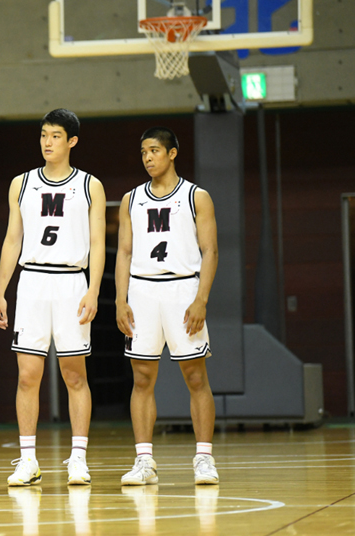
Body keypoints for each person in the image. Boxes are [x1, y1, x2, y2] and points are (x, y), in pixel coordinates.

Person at [0, 109, 106, 486]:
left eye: (55, 135)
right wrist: (0, 292)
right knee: (27, 375)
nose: (47, 142)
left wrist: (93, 289)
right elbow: (12, 240)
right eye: (43, 135)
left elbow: (98, 243)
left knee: (74, 374)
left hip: (72, 282)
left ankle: (78, 459)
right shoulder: (21, 183)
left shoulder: (89, 185)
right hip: (32, 283)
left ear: (72, 141)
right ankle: (28, 460)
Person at [115, 127, 219, 486]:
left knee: (195, 376)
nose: (148, 158)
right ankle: (144, 461)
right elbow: (124, 252)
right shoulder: (131, 199)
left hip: (182, 289)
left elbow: (210, 251)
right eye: (143, 152)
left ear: (172, 153)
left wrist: (201, 299)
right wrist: (120, 299)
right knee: (142, 378)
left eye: (154, 150)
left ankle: (204, 458)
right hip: (142, 290)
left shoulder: (196, 197)